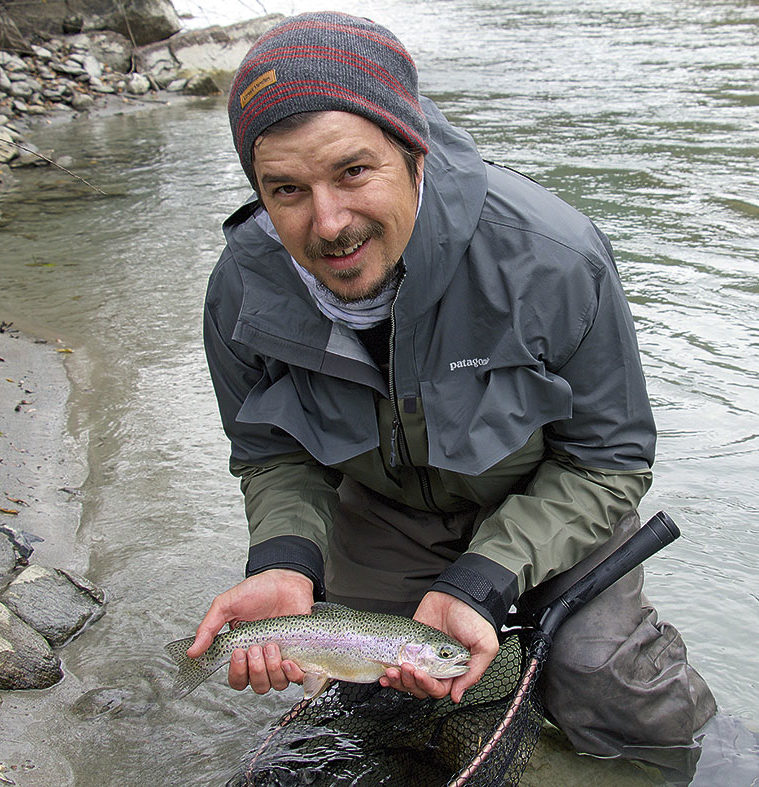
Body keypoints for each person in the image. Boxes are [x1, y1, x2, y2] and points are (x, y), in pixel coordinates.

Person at [190, 10, 716, 774]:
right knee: (384, 705)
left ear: (414, 152)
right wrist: (282, 559)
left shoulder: (552, 257)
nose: (328, 222)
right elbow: (270, 451)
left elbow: (609, 456)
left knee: (605, 680)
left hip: (551, 497)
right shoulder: (241, 286)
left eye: (352, 171)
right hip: (383, 511)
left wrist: (481, 576)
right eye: (286, 189)